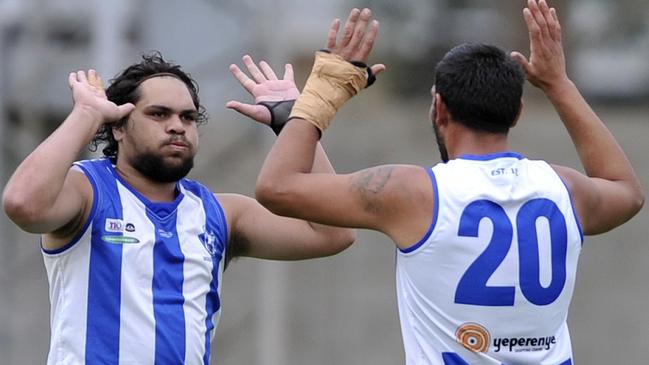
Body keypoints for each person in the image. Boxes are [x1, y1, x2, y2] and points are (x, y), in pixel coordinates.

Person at [255, 3, 644, 365]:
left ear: (439, 108)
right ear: (518, 112)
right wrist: (559, 84)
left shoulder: (411, 192)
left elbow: (277, 186)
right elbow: (627, 191)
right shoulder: (564, 188)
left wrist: (318, 97)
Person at [1, 51, 354, 364]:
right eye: (159, 114)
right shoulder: (87, 189)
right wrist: (87, 114)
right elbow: (22, 204)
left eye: (188, 117)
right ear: (119, 126)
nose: (176, 126)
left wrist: (296, 121)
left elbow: (333, 231)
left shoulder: (220, 213)